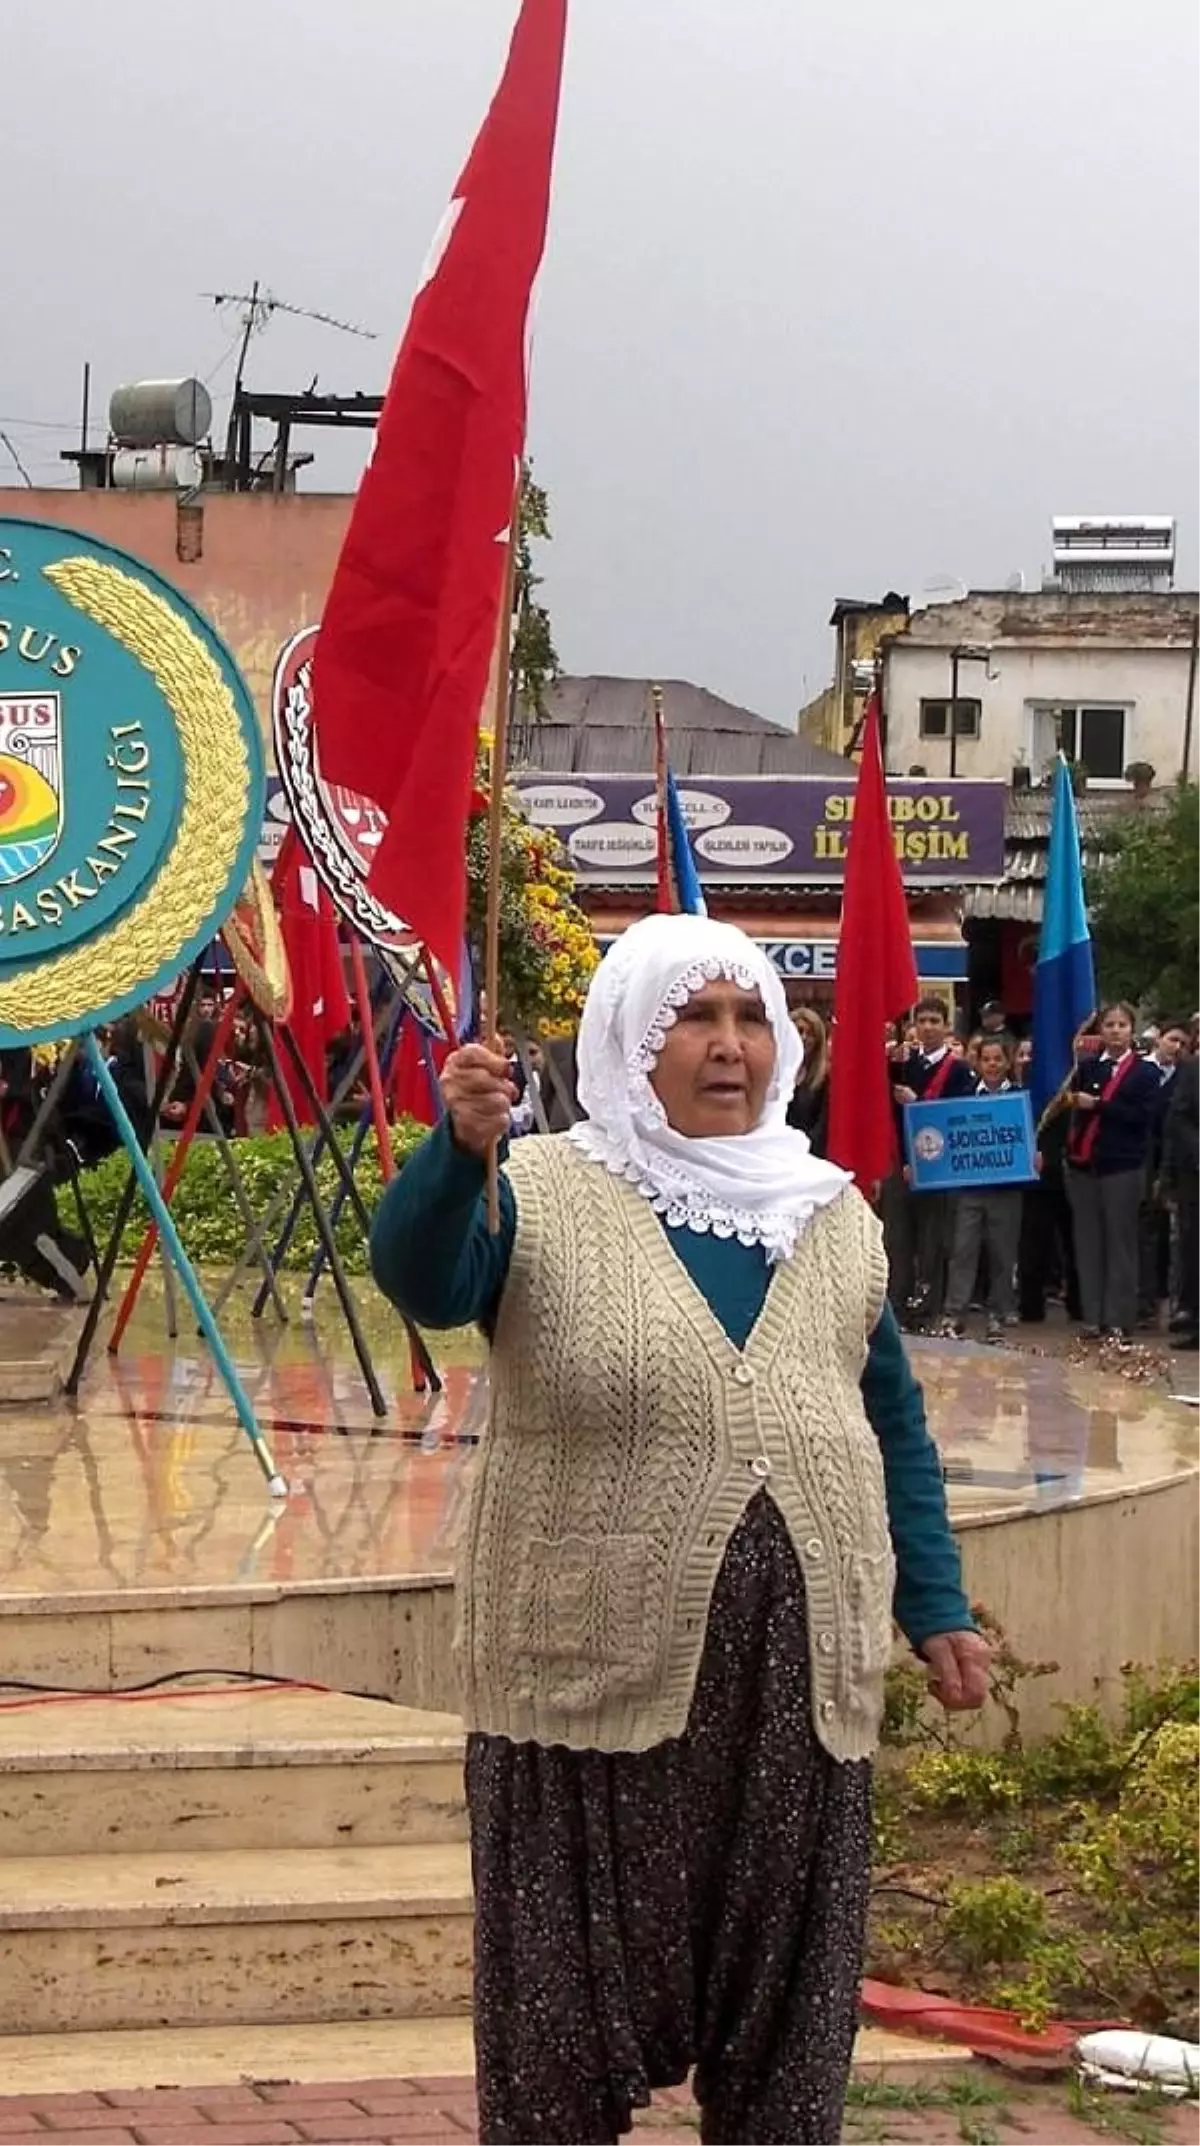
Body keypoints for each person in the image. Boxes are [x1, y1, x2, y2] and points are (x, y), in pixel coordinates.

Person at [370, 915, 987, 2146]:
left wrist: (937, 1604)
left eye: (751, 1018)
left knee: (786, 2027)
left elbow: (890, 1425)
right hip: (589, 1691)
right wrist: (458, 1153)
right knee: (560, 2033)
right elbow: (426, 1282)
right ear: (629, 1040)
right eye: (693, 1020)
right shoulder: (539, 1187)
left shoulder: (832, 1215)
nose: (729, 1047)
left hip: (795, 1698)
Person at [1064, 1002, 1162, 1342]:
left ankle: (1120, 1319)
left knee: (1120, 1245)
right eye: (1109, 1025)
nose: (1116, 1031)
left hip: (1122, 1165)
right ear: (1100, 1031)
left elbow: (1143, 1118)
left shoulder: (1145, 1073)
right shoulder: (1087, 1069)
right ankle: (1093, 1317)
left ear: (1131, 1031)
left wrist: (1101, 1106)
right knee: (1089, 1243)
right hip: (1084, 1165)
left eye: (1122, 1025)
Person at [890, 996, 977, 1328]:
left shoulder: (960, 1071)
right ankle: (898, 1304)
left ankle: (928, 1307)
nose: (927, 1028)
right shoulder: (904, 1064)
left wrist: (920, 1102)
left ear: (946, 1026)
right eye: (922, 1021)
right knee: (899, 1239)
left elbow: (957, 1117)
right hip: (903, 1162)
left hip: (940, 1167)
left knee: (933, 1240)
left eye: (934, 1022)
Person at [941, 1037, 1021, 1342]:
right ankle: (954, 1313)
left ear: (1007, 1062)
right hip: (969, 1188)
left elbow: (1025, 1136)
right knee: (963, 1249)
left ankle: (997, 1315)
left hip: (1006, 1188)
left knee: (1002, 1252)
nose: (992, 1064)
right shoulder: (962, 1096)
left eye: (998, 1059)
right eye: (986, 1059)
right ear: (977, 1062)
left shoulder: (1018, 1097)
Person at [785, 1004, 830, 1157]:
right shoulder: (776, 1073)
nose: (804, 1038)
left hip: (810, 1156)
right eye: (799, 1031)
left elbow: (823, 1126)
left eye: (810, 1034)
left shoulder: (825, 1078)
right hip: (778, 1155)